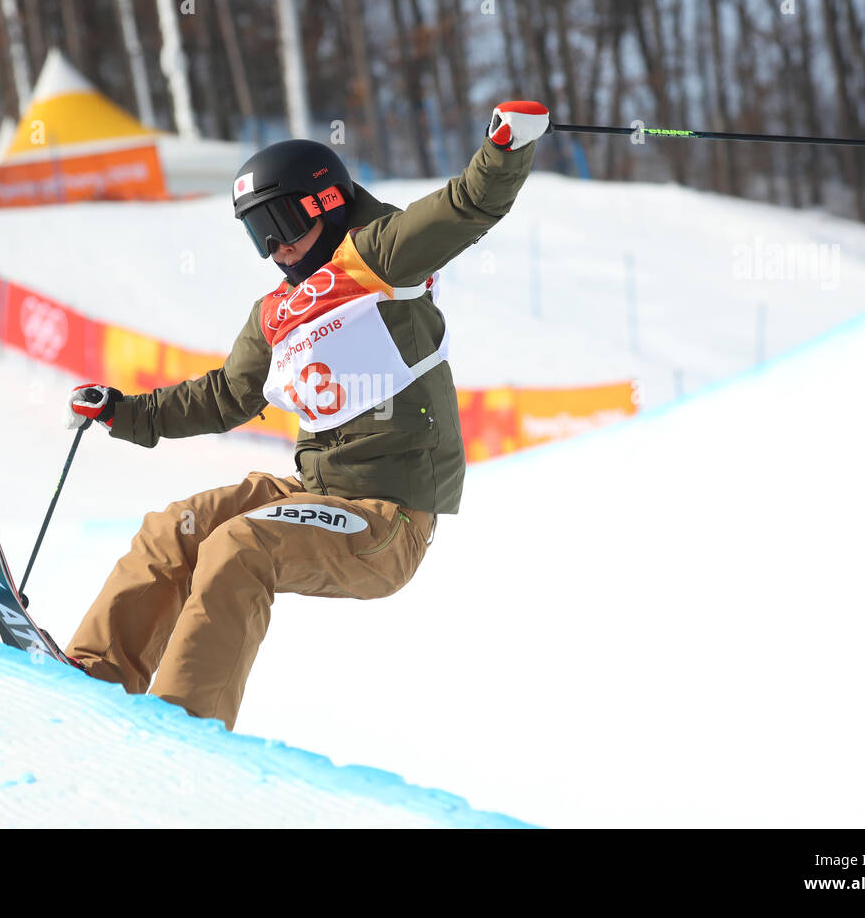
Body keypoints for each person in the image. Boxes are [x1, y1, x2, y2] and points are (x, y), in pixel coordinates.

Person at [61, 100, 550, 731]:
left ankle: (182, 723)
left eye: (281, 221)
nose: (275, 248)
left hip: (385, 519)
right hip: (315, 493)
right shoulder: (278, 313)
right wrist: (125, 413)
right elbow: (223, 396)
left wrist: (506, 148)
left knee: (239, 546)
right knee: (174, 529)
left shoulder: (382, 255)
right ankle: (94, 672)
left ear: (324, 202)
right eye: (256, 233)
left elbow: (467, 205)